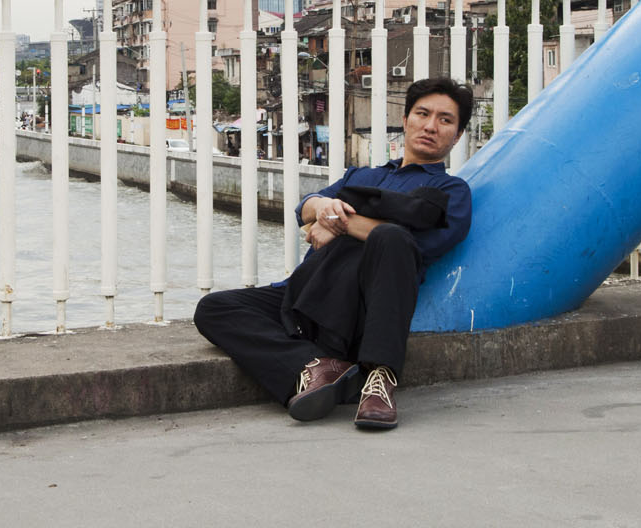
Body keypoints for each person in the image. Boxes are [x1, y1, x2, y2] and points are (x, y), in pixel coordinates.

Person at [193, 76, 474, 431]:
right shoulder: (364, 174)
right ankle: (315, 366)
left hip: (361, 308)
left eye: (445, 120)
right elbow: (306, 209)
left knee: (391, 238)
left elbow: (411, 244)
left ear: (458, 135)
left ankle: (379, 379)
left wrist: (335, 224)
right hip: (309, 290)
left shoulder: (450, 190)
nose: (431, 126)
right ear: (405, 120)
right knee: (214, 308)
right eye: (422, 114)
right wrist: (323, 207)